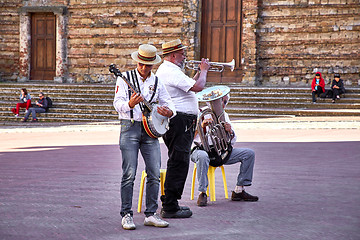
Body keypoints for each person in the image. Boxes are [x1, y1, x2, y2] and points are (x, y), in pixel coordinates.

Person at [113, 44, 176, 230]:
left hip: (151, 131)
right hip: (129, 127)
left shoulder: (156, 81)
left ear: (153, 65)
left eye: (148, 65)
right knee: (129, 173)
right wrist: (130, 104)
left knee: (155, 173)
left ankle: (151, 214)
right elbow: (117, 104)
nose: (143, 68)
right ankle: (126, 214)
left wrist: (169, 112)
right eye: (141, 64)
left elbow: (169, 102)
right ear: (137, 61)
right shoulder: (124, 79)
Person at [155, 39, 211, 218]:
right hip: (180, 122)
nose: (184, 57)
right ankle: (170, 206)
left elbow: (189, 87)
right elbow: (199, 87)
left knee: (178, 160)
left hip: (181, 121)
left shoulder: (171, 71)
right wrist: (204, 71)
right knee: (179, 161)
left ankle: (172, 202)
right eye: (182, 54)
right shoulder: (170, 71)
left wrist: (196, 74)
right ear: (173, 56)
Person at [190, 94, 258, 207]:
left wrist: (230, 132)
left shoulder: (224, 115)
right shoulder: (200, 113)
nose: (222, 104)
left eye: (225, 102)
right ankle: (202, 192)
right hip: (200, 150)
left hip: (220, 152)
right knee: (202, 156)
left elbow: (232, 141)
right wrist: (201, 127)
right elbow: (189, 138)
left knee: (249, 153)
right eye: (220, 101)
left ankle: (239, 190)